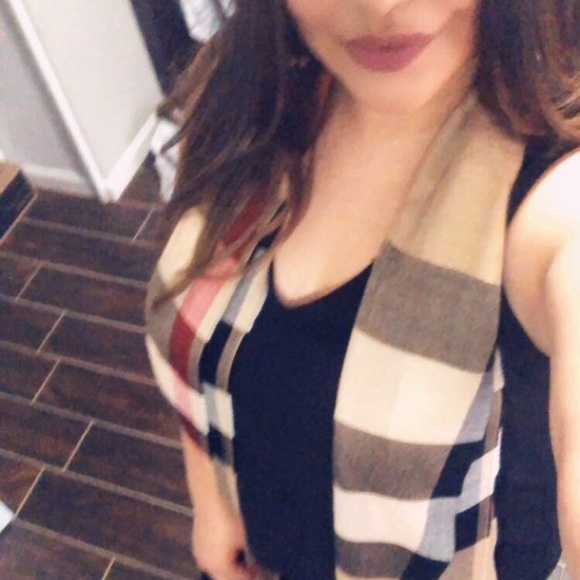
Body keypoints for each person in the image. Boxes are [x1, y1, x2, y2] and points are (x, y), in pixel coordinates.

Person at [145, 0, 580, 578]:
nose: (380, 6)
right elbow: (200, 339)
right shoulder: (246, 86)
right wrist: (210, 498)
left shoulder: (554, 193)